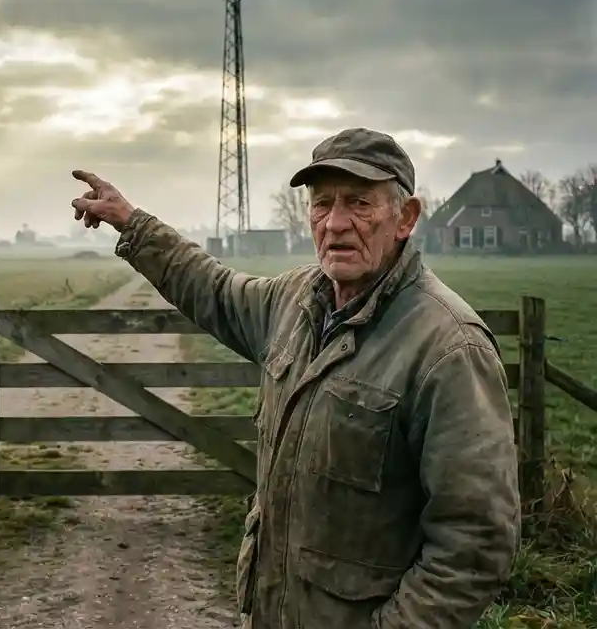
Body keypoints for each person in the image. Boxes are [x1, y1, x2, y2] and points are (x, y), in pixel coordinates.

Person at [69, 127, 520, 629]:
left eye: (359, 203)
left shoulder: (448, 347)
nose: (336, 223)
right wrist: (134, 224)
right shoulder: (294, 301)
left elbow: (475, 545)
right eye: (322, 203)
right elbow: (212, 287)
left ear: (405, 218)